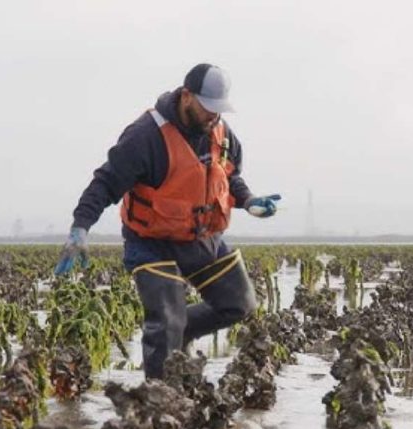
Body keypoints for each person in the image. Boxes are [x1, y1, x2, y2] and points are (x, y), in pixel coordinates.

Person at [54, 63, 280, 379]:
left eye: (218, 110)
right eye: (207, 108)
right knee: (164, 325)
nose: (213, 116)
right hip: (152, 243)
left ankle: (180, 332)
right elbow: (105, 183)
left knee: (238, 304)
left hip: (202, 237)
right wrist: (80, 228)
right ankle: (158, 398)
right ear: (187, 96)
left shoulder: (221, 134)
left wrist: (250, 201)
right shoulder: (146, 136)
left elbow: (228, 177)